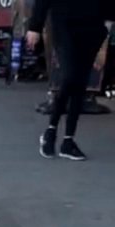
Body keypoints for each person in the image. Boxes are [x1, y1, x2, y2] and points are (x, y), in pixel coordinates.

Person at [27, 0, 108, 160]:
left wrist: (104, 42)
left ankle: (68, 140)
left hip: (93, 27)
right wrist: (35, 26)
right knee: (69, 76)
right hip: (64, 24)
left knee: (80, 82)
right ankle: (51, 129)